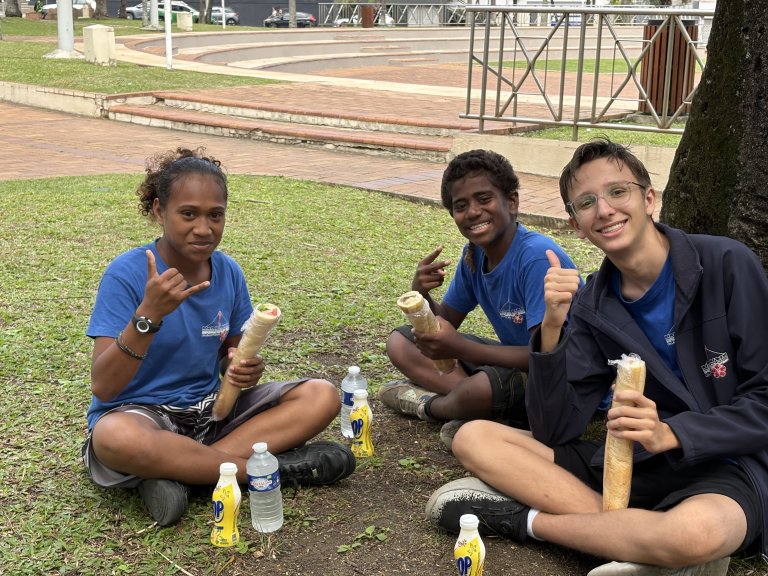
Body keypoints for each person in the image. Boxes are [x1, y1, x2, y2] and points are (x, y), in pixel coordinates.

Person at [425, 138, 768, 576]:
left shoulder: (725, 263)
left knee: (698, 532)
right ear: (576, 223)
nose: (604, 210)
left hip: (729, 464)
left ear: (649, 198)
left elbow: (763, 400)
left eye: (617, 192)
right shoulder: (592, 304)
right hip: (639, 462)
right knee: (473, 437)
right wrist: (552, 328)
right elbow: (554, 430)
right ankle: (642, 542)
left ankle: (529, 522)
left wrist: (673, 433)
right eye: (586, 202)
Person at [82, 147, 355, 527]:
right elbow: (105, 387)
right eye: (188, 214)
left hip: (212, 414)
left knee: (321, 395)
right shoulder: (127, 273)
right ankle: (264, 471)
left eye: (215, 214)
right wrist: (149, 315)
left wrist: (242, 368)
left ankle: (186, 473)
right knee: (115, 437)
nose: (203, 228)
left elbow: (232, 355)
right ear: (160, 211)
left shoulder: (228, 272)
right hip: (142, 416)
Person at [380, 149, 581, 449]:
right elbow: (445, 322)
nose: (473, 212)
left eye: (484, 199)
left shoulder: (535, 256)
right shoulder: (474, 255)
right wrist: (421, 295)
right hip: (516, 365)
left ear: (511, 202)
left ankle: (431, 406)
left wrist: (461, 348)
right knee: (400, 342)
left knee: (480, 390)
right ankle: (472, 406)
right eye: (461, 206)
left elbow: (544, 356)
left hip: (563, 380)